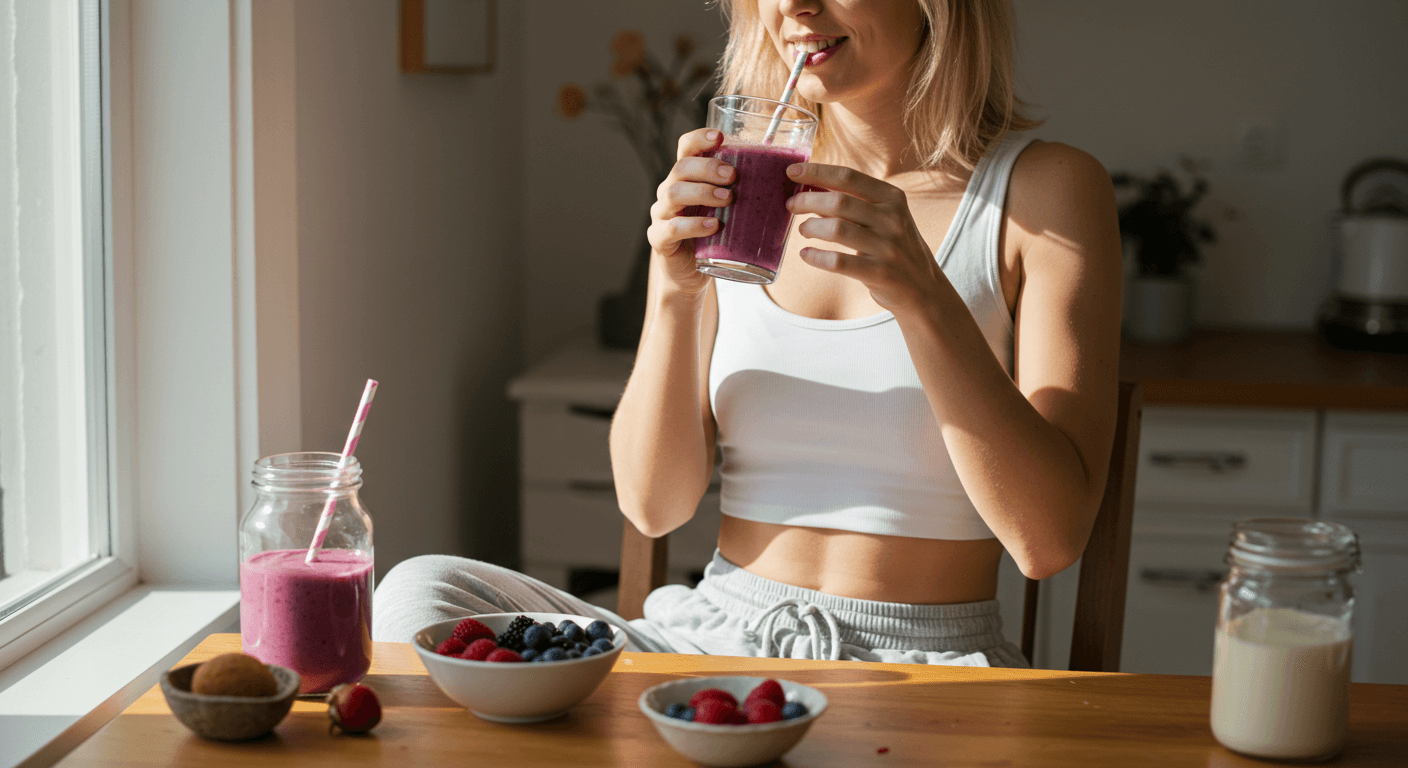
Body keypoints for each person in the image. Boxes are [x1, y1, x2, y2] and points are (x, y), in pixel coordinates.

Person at [373, 0, 1121, 668]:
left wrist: (926, 298)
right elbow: (652, 505)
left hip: (920, 667)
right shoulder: (747, 182)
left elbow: (1048, 542)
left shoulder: (1045, 193)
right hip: (712, 642)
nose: (794, 5)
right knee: (417, 592)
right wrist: (673, 287)